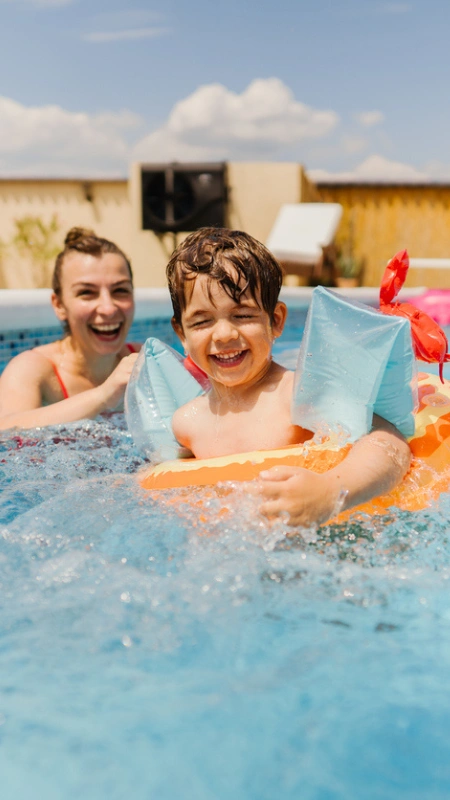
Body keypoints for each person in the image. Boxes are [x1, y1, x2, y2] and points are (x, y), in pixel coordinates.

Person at [167, 227, 411, 527]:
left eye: (242, 315)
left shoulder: (297, 394)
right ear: (181, 333)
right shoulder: (186, 423)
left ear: (277, 321)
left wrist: (330, 493)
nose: (225, 334)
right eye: (202, 321)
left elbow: (390, 443)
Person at [0, 227, 139, 430]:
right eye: (86, 292)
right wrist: (103, 395)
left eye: (120, 290)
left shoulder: (140, 359)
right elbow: (5, 429)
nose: (108, 308)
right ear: (59, 305)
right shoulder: (34, 369)